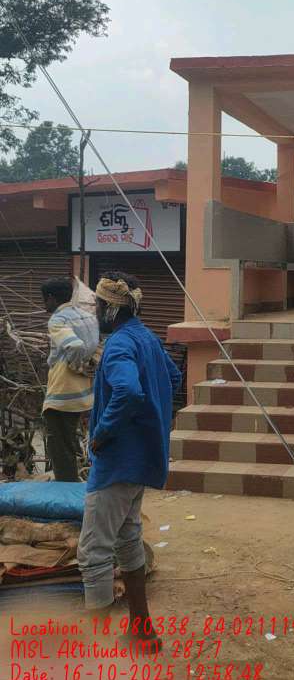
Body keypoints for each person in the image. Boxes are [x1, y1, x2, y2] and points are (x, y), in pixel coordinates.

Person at [77, 272, 181, 642]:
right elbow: (173, 378)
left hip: (117, 461)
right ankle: (142, 631)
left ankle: (97, 651)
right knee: (128, 540)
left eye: (97, 305)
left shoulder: (120, 344)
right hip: (142, 459)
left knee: (93, 552)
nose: (95, 311)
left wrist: (104, 432)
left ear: (109, 308)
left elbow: (128, 391)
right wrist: (149, 422)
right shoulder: (146, 337)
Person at [41, 277, 99, 482]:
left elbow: (74, 346)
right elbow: (96, 345)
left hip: (63, 391)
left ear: (51, 298)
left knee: (58, 442)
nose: (44, 304)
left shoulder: (58, 320)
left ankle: (66, 486)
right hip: (83, 393)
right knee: (69, 438)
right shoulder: (88, 316)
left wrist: (77, 366)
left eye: (44, 299)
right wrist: (87, 365)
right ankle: (71, 481)